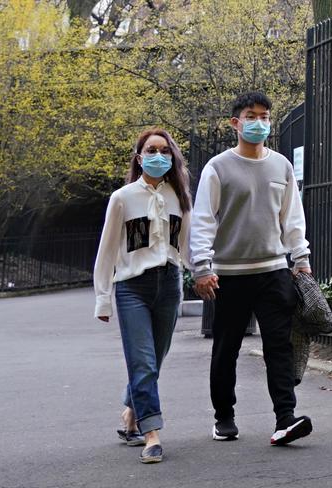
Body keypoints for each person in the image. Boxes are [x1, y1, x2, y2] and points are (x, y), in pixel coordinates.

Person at [190, 91, 313, 445]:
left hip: (274, 271)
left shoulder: (281, 166)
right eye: (251, 115)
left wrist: (300, 259)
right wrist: (201, 267)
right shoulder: (218, 167)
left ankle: (286, 418)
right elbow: (203, 221)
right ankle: (224, 416)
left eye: (264, 115)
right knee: (226, 348)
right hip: (228, 274)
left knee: (279, 345)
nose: (259, 122)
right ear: (235, 123)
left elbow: (292, 217)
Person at [93, 128, 192, 464]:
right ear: (139, 157)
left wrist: (205, 272)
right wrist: (103, 298)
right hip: (133, 287)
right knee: (144, 362)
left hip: (169, 284)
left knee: (154, 361)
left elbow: (187, 247)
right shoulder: (123, 198)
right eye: (151, 150)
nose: (158, 156)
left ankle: (130, 413)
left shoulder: (180, 197)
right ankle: (152, 433)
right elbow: (107, 251)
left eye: (165, 151)